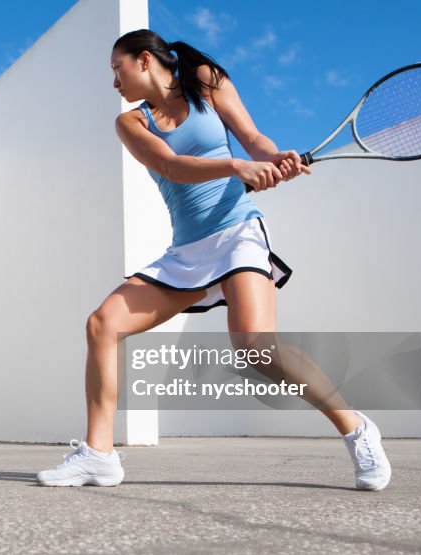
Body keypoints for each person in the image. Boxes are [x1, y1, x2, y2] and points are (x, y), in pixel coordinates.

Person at [35, 29, 391, 491]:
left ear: (144, 60)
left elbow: (253, 138)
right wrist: (236, 166)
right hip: (187, 250)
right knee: (103, 324)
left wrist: (272, 158)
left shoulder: (205, 79)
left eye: (116, 69)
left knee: (257, 348)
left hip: (238, 231)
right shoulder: (131, 123)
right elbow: (171, 167)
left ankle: (358, 430)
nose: (114, 82)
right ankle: (99, 455)